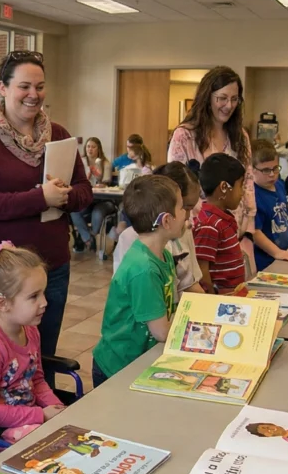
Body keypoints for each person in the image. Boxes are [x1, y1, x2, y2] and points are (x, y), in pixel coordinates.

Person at [0, 50, 92, 359]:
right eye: (24, 86)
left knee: (41, 359)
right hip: (1, 273)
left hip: (51, 268)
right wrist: (40, 198)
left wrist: (64, 196)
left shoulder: (58, 135)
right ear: (3, 88)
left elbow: (85, 192)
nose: (34, 94)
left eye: (40, 86)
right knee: (0, 363)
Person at [0, 240, 66, 444]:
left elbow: (37, 381)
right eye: (34, 296)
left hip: (25, 417)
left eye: (43, 292)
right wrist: (41, 415)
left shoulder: (31, 330)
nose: (45, 302)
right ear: (2, 303)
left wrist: (58, 409)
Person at [91, 175, 183, 386]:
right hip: (118, 368)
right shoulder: (144, 269)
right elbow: (162, 331)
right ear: (167, 221)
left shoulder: (163, 255)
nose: (187, 214)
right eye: (182, 208)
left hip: (139, 362)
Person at [168, 66, 254, 271]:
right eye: (222, 98)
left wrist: (249, 232)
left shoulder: (240, 136)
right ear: (208, 97)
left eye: (235, 99)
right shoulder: (185, 136)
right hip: (198, 235)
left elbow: (248, 183)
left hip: (235, 234)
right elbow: (176, 187)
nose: (229, 105)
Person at [113, 161, 203, 299]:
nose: (188, 216)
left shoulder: (182, 233)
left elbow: (190, 284)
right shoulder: (132, 240)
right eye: (184, 208)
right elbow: (140, 301)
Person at [193, 154, 249, 294]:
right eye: (240, 185)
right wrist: (212, 298)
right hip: (221, 304)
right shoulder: (209, 224)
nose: (242, 192)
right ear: (224, 187)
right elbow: (201, 269)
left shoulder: (222, 219)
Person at [251, 140, 288, 270]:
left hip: (284, 254)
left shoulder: (279, 185)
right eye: (266, 170)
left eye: (275, 168)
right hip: (265, 261)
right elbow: (255, 232)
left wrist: (286, 233)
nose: (272, 174)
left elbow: (281, 215)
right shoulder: (253, 195)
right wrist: (277, 252)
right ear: (252, 169)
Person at [70, 137, 117, 253]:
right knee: (74, 211)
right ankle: (88, 239)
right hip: (87, 198)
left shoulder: (105, 163)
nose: (90, 149)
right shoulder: (80, 162)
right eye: (88, 146)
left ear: (98, 149)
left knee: (97, 213)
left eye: (93, 147)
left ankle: (89, 236)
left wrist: (100, 179)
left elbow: (106, 182)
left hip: (102, 201)